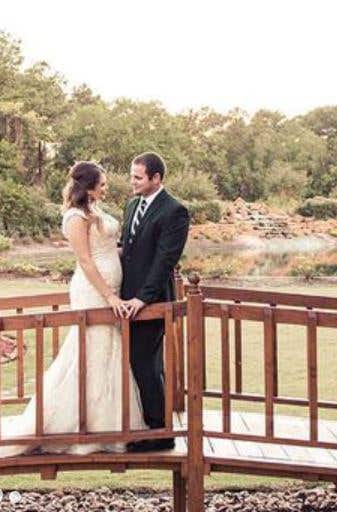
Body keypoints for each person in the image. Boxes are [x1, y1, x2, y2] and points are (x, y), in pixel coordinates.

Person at [0, 161, 148, 459]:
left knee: (107, 352)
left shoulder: (95, 211)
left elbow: (110, 249)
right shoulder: (74, 217)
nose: (106, 187)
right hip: (93, 292)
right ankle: (73, 425)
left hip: (111, 288)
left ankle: (107, 425)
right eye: (102, 183)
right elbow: (86, 262)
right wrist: (110, 296)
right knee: (88, 352)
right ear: (87, 186)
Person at [116, 152, 191, 452]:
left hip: (153, 300)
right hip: (127, 298)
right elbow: (128, 249)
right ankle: (152, 425)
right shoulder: (132, 205)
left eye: (138, 177)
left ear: (156, 178)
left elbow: (164, 260)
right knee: (142, 362)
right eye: (132, 175)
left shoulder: (175, 211)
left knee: (144, 360)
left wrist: (142, 298)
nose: (132, 182)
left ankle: (161, 432)